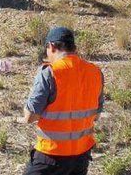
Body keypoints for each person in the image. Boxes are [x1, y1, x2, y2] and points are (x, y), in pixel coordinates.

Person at [20, 26, 105, 175]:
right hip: (81, 157)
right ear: (74, 48)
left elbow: (30, 117)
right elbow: (96, 115)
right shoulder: (95, 72)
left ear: (52, 46)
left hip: (50, 156)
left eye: (47, 49)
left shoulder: (50, 72)